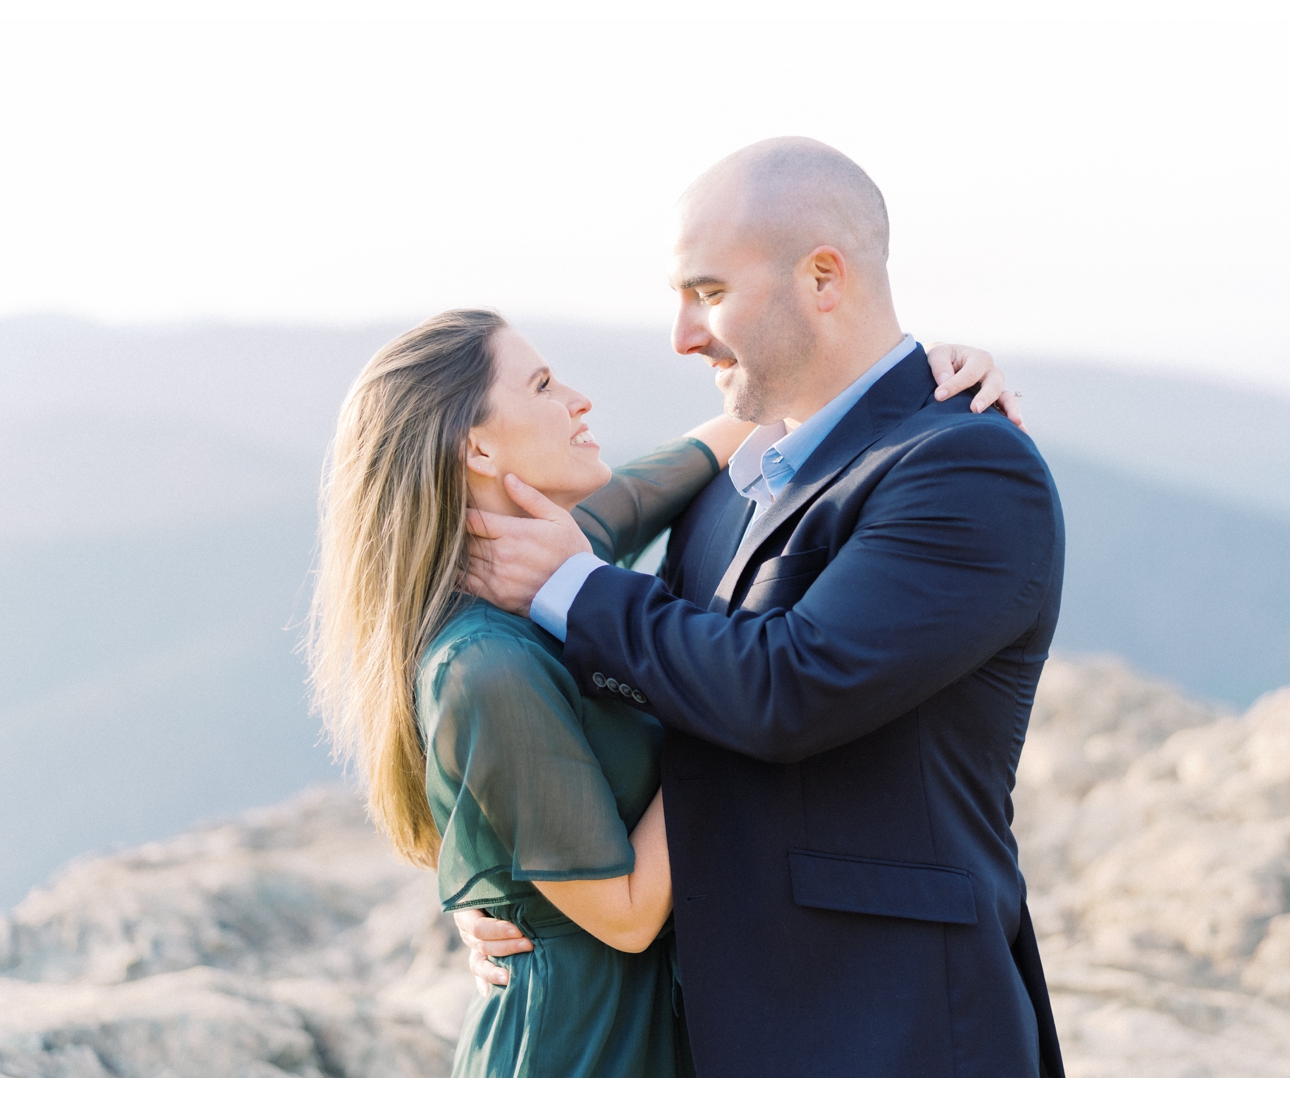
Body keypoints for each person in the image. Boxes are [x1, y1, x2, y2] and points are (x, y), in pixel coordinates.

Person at [459, 137, 1066, 1077]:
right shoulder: (729, 487)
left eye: (706, 293)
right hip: (715, 1026)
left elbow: (793, 686)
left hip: (893, 1027)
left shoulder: (967, 468)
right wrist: (512, 877)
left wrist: (567, 583)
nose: (682, 336)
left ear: (824, 278)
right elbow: (649, 687)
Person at [307, 307, 1017, 1076]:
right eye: (544, 386)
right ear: (475, 446)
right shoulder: (484, 665)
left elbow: (718, 441)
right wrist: (741, 697)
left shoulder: (553, 550)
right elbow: (626, 913)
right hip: (578, 1051)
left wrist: (923, 374)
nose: (579, 400)